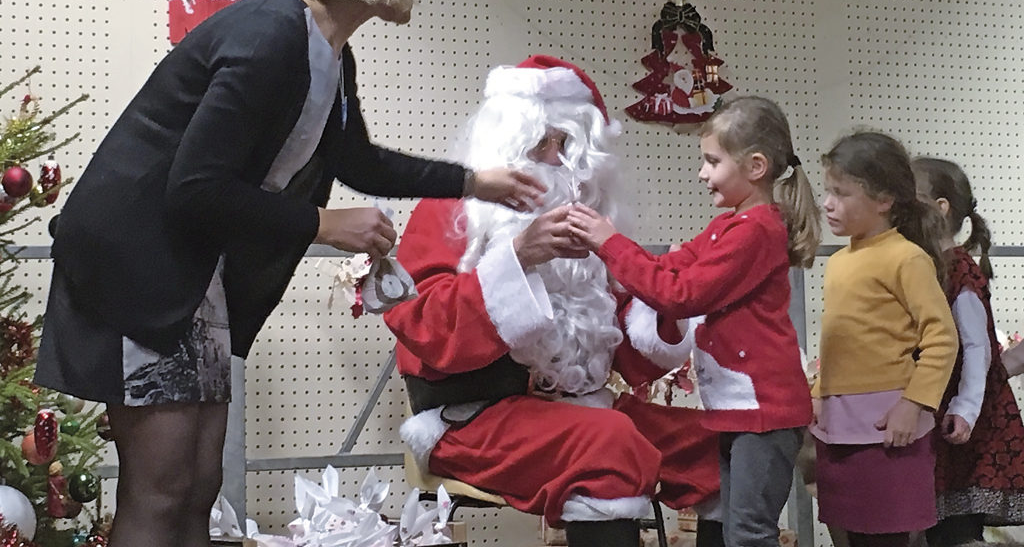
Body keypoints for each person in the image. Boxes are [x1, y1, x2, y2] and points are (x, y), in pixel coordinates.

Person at [33, 0, 544, 547]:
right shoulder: (271, 34)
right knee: (159, 491)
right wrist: (321, 225)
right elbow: (194, 187)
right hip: (137, 270)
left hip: (191, 272)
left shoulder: (327, 51)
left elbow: (358, 162)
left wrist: (476, 181)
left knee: (195, 486)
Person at [382, 55, 722, 547]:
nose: (557, 160)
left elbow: (624, 351)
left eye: (568, 144)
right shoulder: (451, 215)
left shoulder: (589, 228)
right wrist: (518, 256)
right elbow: (423, 328)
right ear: (506, 143)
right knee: (609, 443)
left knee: (718, 443)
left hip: (580, 407)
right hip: (472, 417)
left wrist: (666, 302)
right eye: (540, 143)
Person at [568, 95, 820, 547]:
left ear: (756, 166)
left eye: (712, 161)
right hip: (735, 411)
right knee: (728, 525)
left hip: (765, 414)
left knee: (748, 534)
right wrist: (608, 250)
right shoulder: (727, 226)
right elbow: (670, 268)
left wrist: (609, 243)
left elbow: (679, 295)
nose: (702, 173)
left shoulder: (755, 231)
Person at [811, 132, 958, 547]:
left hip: (889, 428)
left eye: (841, 193)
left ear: (884, 200)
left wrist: (913, 404)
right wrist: (820, 391)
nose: (827, 203)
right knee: (850, 535)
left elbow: (942, 338)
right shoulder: (839, 262)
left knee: (885, 538)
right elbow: (840, 342)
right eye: (827, 191)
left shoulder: (906, 257)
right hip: (840, 426)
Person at [912, 157, 1024, 545]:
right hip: (946, 408)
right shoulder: (931, 267)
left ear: (939, 207)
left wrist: (966, 407)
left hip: (966, 417)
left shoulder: (958, 269)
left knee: (956, 524)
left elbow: (977, 347)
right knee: (941, 521)